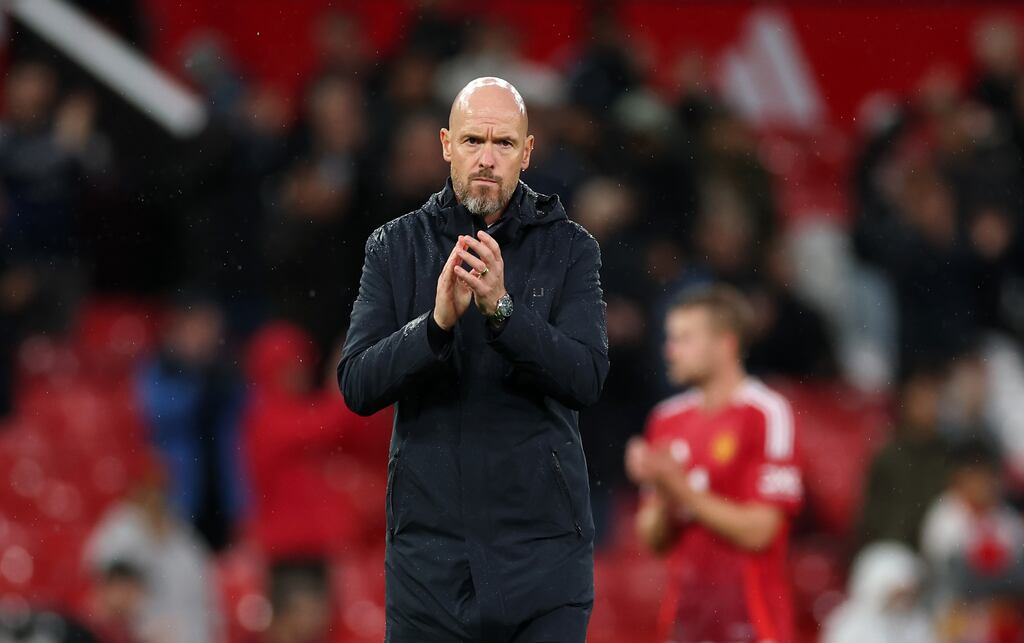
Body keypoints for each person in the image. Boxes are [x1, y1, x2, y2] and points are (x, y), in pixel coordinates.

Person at [337, 76, 609, 643]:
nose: (487, 159)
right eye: (471, 141)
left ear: (528, 152)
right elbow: (358, 384)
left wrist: (504, 311)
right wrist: (434, 327)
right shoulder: (394, 247)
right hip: (428, 569)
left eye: (504, 144)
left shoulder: (571, 249)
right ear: (445, 143)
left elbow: (586, 378)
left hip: (544, 562)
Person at [624, 285, 803, 643]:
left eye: (685, 338)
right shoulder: (665, 419)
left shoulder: (765, 413)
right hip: (686, 623)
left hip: (753, 622)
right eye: (670, 338)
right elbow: (654, 539)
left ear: (726, 344)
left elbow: (760, 531)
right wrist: (662, 490)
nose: (670, 350)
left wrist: (681, 491)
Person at [821, 542, 935, 643]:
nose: (906, 601)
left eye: (910, 594)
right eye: (899, 594)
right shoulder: (849, 624)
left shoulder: (917, 621)